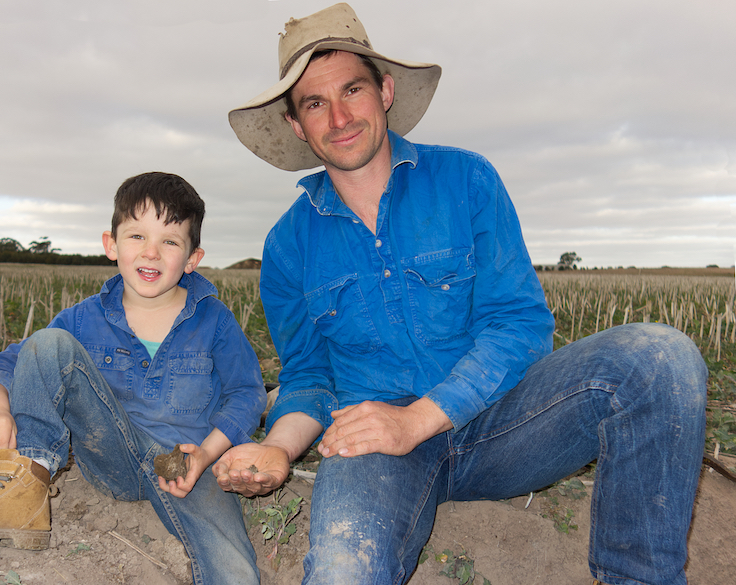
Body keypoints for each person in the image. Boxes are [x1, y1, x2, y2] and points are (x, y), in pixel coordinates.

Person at [214, 4, 708, 585]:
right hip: (374, 447)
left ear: (386, 91)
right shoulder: (287, 245)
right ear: (298, 125)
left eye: (353, 89)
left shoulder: (467, 180)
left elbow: (519, 326)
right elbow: (307, 376)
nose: (340, 116)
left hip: (502, 427)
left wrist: (418, 420)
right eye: (316, 103)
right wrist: (277, 448)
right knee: (344, 571)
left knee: (658, 357)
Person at [0, 172, 266, 585]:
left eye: (169, 241)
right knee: (49, 344)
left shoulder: (215, 321)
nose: (151, 252)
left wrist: (207, 454)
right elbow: (15, 359)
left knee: (235, 570)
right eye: (136, 236)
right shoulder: (84, 318)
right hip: (110, 458)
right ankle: (25, 485)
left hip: (184, 464)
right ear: (110, 245)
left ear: (192, 259)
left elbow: (246, 393)